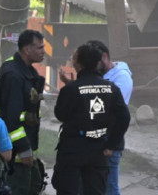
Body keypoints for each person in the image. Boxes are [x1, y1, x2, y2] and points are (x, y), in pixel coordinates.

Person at [52, 43, 130, 195]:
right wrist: (110, 145)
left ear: (79, 64)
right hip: (98, 150)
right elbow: (124, 117)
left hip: (72, 150)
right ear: (97, 63)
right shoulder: (111, 88)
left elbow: (60, 114)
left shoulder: (71, 89)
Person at [0, 29, 46, 195]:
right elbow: (10, 119)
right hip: (16, 156)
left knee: (34, 186)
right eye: (39, 47)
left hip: (27, 152)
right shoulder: (13, 75)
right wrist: (24, 149)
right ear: (27, 49)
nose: (43, 51)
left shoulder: (26, 71)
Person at [93, 40, 132, 195]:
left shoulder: (121, 78)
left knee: (109, 188)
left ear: (104, 57)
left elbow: (113, 111)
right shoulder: (101, 76)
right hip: (96, 141)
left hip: (111, 141)